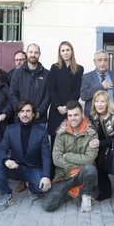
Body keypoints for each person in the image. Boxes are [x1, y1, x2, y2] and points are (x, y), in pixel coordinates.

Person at [0, 100, 51, 211]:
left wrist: (46, 176)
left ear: (33, 114)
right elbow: (1, 149)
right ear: (18, 114)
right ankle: (6, 195)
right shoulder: (10, 129)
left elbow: (46, 155)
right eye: (22, 111)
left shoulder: (42, 131)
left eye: (28, 111)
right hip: (16, 167)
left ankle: (32, 187)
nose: (25, 114)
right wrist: (6, 160)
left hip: (33, 169)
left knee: (44, 188)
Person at [43, 100, 98, 213]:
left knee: (90, 169)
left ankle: (86, 195)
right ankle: (69, 192)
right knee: (48, 206)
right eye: (70, 115)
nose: (73, 118)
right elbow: (56, 159)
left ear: (82, 114)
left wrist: (68, 155)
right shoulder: (61, 133)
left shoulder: (91, 133)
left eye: (76, 115)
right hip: (64, 176)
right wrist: (75, 166)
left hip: (83, 173)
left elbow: (90, 159)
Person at [47, 41, 84, 177]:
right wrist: (58, 106)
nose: (65, 53)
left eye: (67, 50)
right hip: (56, 112)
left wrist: (67, 107)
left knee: (69, 145)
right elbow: (52, 89)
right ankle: (52, 176)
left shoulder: (79, 69)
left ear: (72, 51)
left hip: (71, 113)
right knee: (55, 146)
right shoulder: (55, 68)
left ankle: (70, 176)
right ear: (60, 53)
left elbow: (77, 91)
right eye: (62, 50)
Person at [9, 43, 50, 124]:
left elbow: (48, 96)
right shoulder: (17, 73)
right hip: (21, 119)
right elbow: (12, 94)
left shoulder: (47, 74)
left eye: (36, 52)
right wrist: (21, 111)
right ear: (27, 53)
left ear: (39, 54)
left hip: (39, 119)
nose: (33, 55)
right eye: (31, 52)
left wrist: (39, 112)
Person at [80, 49, 114, 116]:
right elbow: (84, 96)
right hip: (93, 117)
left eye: (105, 60)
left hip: (113, 115)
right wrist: (101, 86)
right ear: (94, 62)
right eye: (99, 60)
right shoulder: (86, 77)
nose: (103, 63)